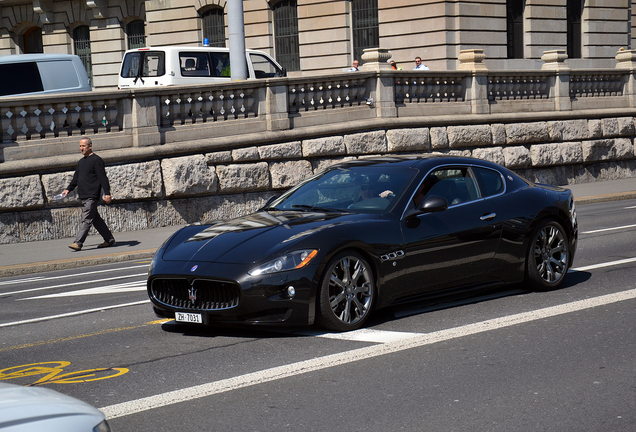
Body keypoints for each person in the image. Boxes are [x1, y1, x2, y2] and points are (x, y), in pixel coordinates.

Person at [62, 137, 115, 251]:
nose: (81, 148)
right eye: (80, 146)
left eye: (83, 146)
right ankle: (109, 239)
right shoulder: (81, 162)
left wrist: (107, 193)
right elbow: (76, 178)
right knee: (95, 219)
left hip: (92, 195)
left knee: (86, 219)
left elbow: (102, 178)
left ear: (90, 146)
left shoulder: (96, 160)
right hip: (84, 195)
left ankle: (78, 242)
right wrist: (68, 189)